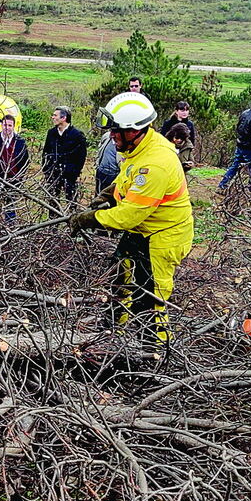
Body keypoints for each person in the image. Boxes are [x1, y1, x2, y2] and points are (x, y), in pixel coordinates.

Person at [69, 92, 193, 354]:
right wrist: (110, 193)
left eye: (116, 131)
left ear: (134, 130)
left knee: (151, 299)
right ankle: (112, 335)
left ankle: (155, 354)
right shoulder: (140, 146)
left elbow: (128, 216)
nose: (112, 135)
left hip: (162, 236)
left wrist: (89, 219)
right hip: (143, 228)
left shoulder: (156, 164)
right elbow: (129, 177)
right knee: (120, 279)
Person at [217, 95, 251, 195]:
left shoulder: (245, 113)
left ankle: (222, 185)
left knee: (234, 166)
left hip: (240, 146)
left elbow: (239, 128)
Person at [42, 106, 88, 203]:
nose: (52, 117)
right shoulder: (51, 133)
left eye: (55, 115)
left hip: (70, 175)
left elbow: (81, 157)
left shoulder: (77, 135)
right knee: (52, 201)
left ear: (63, 118)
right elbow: (46, 152)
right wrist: (46, 170)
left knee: (71, 202)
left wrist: (74, 172)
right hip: (53, 174)